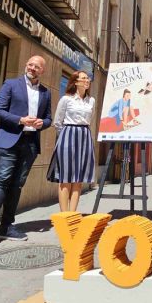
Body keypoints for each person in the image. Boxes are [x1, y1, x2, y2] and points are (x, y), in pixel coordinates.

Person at [0, 55, 52, 252]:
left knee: (17, 185)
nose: (32, 68)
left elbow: (48, 119)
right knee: (1, 180)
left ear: (42, 71)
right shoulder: (11, 84)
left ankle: (7, 226)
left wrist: (41, 123)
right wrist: (21, 120)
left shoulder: (45, 92)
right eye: (30, 65)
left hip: (30, 144)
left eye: (37, 66)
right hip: (9, 140)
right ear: (26, 66)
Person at [47, 71, 96, 211]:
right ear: (75, 82)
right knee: (66, 178)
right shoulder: (66, 99)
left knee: (78, 179)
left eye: (88, 78)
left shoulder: (91, 100)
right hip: (68, 135)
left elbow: (90, 120)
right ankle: (64, 215)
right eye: (84, 78)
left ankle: (73, 214)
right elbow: (57, 122)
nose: (87, 80)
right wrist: (65, 137)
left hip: (85, 136)